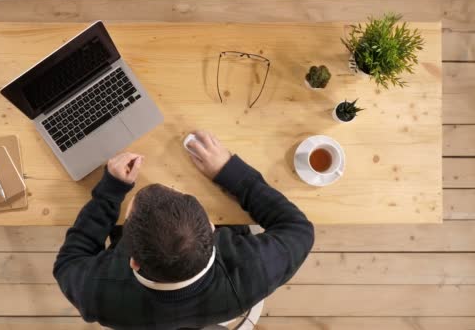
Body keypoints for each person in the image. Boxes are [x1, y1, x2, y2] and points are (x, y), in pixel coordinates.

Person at [54, 130, 314, 329]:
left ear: (133, 262)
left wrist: (109, 194)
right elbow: (299, 229)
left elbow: (68, 263)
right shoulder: (254, 270)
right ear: (211, 227)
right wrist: (229, 172)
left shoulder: (96, 294)